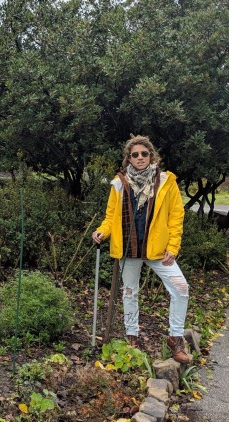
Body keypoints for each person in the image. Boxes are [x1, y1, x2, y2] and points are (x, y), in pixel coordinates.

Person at [92, 135, 191, 364]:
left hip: (157, 250)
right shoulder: (119, 183)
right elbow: (110, 217)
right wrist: (101, 232)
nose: (140, 158)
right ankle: (132, 338)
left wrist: (173, 246)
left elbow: (177, 216)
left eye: (144, 154)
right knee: (130, 292)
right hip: (129, 248)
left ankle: (175, 338)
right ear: (129, 158)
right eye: (135, 154)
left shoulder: (166, 182)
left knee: (181, 288)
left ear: (151, 156)